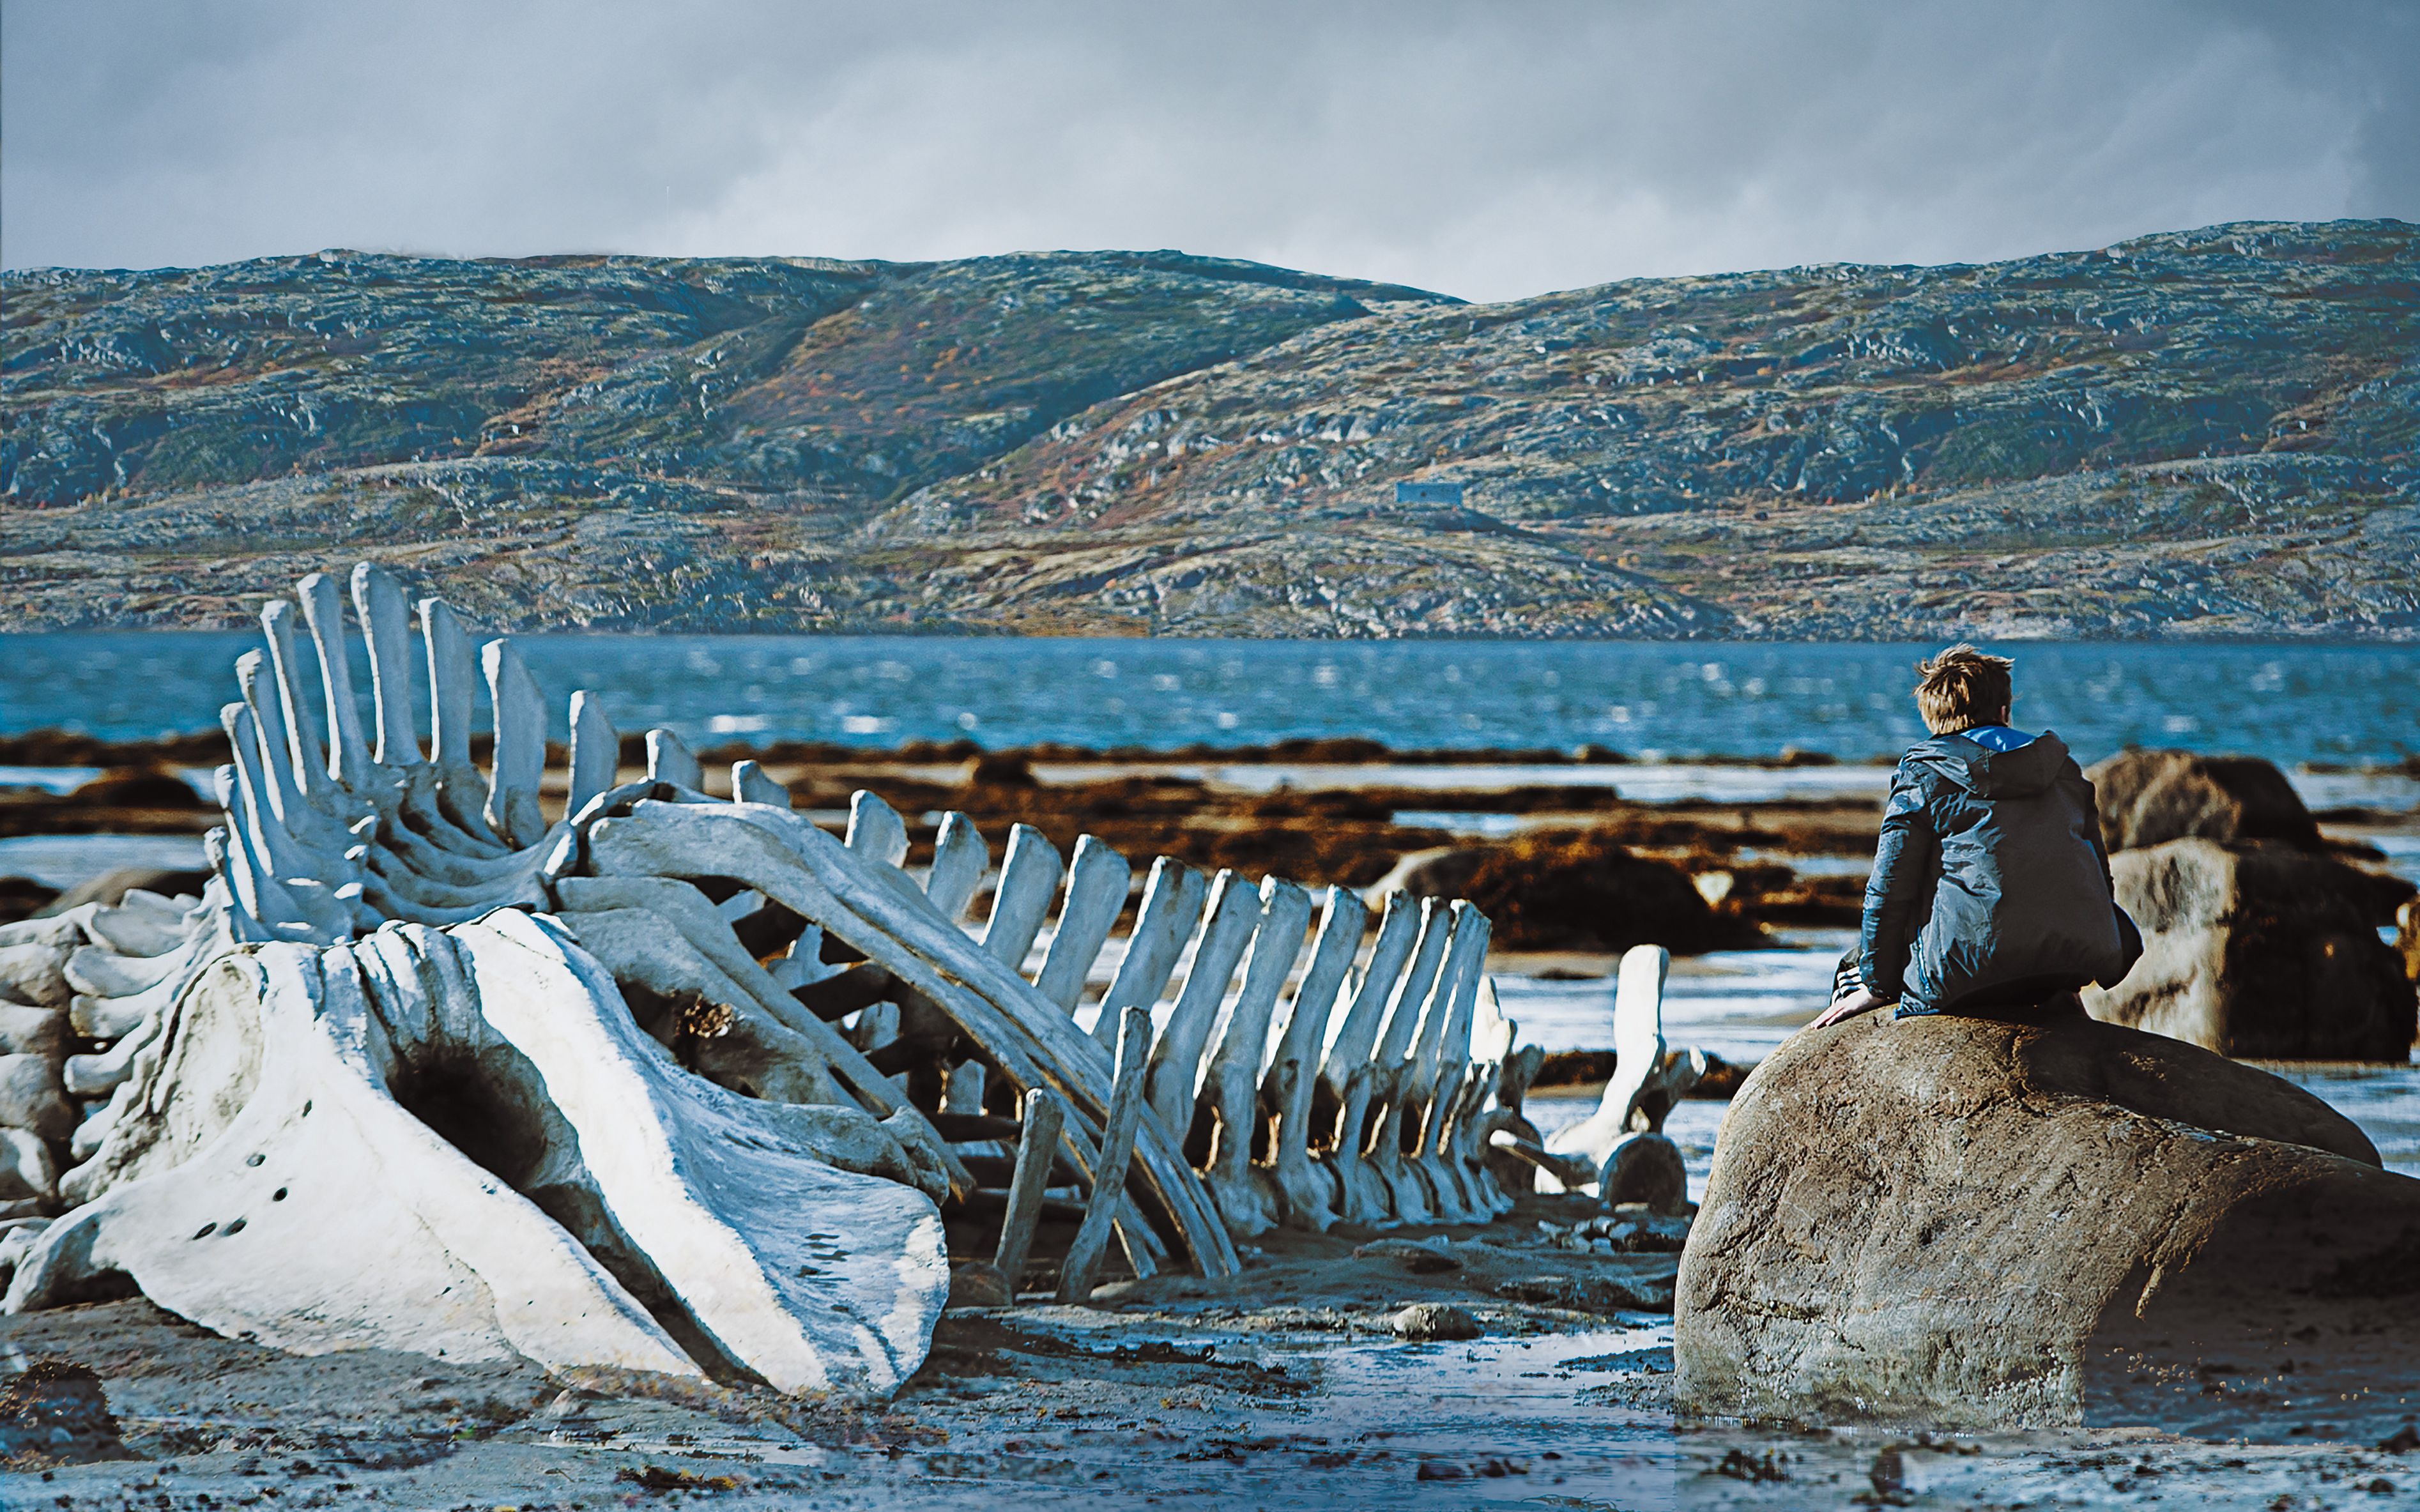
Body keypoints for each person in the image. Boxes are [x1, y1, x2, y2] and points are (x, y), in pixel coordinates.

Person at [1809, 645, 2141, 1030]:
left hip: (1968, 974)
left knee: (1851, 971)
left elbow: (1889, 889)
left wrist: (1878, 986)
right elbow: (2099, 878)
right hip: (2071, 966)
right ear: (2003, 711)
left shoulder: (1925, 774)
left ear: (1934, 720)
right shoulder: (2063, 769)